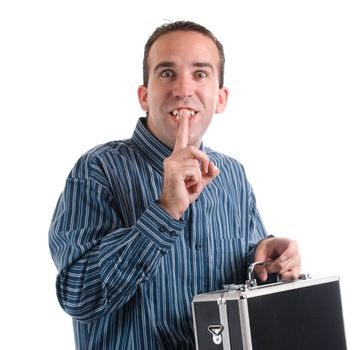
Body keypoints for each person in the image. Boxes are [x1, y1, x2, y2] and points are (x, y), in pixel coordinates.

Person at [49, 20, 301, 350]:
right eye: (167, 73)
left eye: (200, 73)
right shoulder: (97, 170)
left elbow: (248, 291)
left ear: (220, 98)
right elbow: (78, 296)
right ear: (144, 95)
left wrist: (268, 262)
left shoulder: (234, 176)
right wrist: (165, 211)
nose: (183, 89)